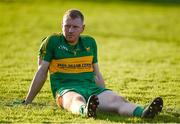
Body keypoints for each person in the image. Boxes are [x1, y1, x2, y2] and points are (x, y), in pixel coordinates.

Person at [24, 9, 163, 118]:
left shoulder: (90, 42)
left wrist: (103, 93)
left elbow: (97, 72)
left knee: (117, 99)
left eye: (75, 27)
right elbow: (41, 71)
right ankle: (86, 111)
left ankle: (143, 112)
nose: (70, 30)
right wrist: (28, 100)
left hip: (91, 89)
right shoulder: (52, 41)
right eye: (66, 26)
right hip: (66, 90)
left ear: (82, 28)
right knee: (76, 99)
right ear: (62, 26)